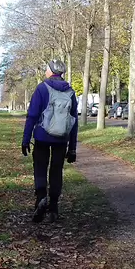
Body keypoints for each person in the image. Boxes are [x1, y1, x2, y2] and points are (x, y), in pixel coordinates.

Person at [22, 59, 78, 223]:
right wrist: (72, 148)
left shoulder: (41, 88)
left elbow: (32, 115)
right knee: (56, 171)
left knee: (40, 167)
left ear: (50, 71)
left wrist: (26, 139)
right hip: (61, 139)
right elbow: (73, 121)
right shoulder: (71, 92)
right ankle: (53, 208)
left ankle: (41, 198)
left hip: (42, 136)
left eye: (46, 69)